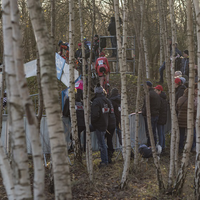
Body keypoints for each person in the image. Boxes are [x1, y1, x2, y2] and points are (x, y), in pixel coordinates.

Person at [91, 83, 112, 167]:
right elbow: (109, 112)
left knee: (102, 144)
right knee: (102, 143)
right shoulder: (106, 100)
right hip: (104, 124)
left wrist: (94, 122)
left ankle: (104, 161)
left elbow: (95, 115)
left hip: (99, 125)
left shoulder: (96, 101)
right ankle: (105, 160)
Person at [142, 81, 161, 147]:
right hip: (155, 114)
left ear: (147, 86)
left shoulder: (148, 95)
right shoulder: (156, 94)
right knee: (153, 132)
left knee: (149, 132)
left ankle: (150, 146)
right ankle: (154, 145)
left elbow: (146, 106)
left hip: (150, 116)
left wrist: (143, 113)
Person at [154, 85, 167, 151]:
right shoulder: (164, 98)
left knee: (160, 133)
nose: (155, 91)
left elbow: (158, 108)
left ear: (159, 91)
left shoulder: (159, 99)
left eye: (156, 90)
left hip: (160, 118)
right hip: (163, 117)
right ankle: (163, 145)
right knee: (162, 133)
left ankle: (161, 146)